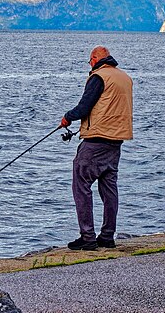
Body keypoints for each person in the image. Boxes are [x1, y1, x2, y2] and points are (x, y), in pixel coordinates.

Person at [61, 46, 133, 250]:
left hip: (96, 141)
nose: (90, 65)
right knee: (109, 188)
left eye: (89, 61)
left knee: (81, 185)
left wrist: (68, 117)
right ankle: (108, 236)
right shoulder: (124, 78)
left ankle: (88, 237)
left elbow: (85, 106)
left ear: (94, 59)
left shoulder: (99, 77)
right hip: (116, 141)